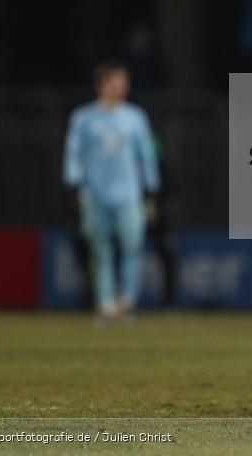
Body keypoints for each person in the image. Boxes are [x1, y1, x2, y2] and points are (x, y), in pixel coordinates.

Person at [63, 62, 160, 323]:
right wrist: (76, 185)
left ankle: (127, 301)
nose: (121, 88)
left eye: (124, 83)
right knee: (100, 250)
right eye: (115, 83)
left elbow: (146, 154)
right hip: (95, 194)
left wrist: (151, 188)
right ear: (101, 86)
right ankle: (105, 303)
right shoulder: (83, 118)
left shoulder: (135, 117)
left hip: (129, 193)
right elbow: (74, 154)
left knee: (133, 246)